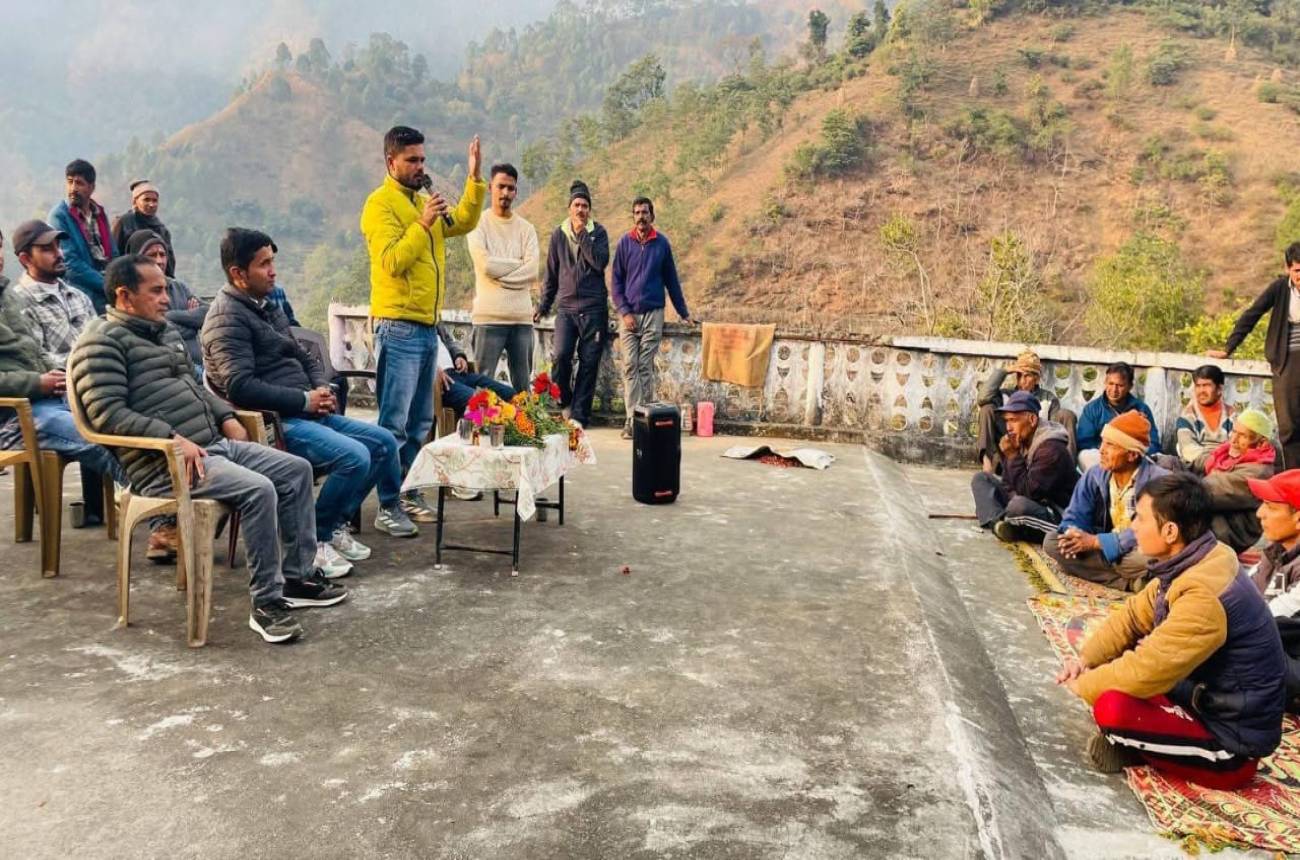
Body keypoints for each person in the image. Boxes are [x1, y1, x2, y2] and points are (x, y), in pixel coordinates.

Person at [70, 255, 347, 644]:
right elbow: (106, 413)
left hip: (211, 446)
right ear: (124, 296)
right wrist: (171, 438)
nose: (166, 299)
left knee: (295, 470)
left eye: (165, 289)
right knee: (259, 489)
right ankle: (267, 603)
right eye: (156, 291)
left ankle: (297, 578)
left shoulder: (163, 332)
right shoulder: (100, 343)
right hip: (163, 464)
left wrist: (225, 416)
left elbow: (197, 388)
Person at [202, 228, 417, 572]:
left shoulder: (267, 305)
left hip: (306, 411)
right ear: (238, 273)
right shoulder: (226, 319)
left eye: (273, 262)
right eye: (264, 264)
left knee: (384, 443)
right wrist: (304, 400)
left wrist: (322, 389)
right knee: (355, 457)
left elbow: (302, 354)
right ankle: (314, 540)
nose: (273, 272)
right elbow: (240, 387)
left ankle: (332, 526)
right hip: (276, 422)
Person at [1056, 472, 1287, 790]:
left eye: (1140, 518)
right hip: (1200, 697)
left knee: (1112, 707)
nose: (1133, 526)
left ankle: (1138, 746)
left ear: (1170, 531)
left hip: (1231, 747)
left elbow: (1144, 670)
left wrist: (1080, 687)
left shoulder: (1202, 594)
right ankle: (1142, 744)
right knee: (1117, 661)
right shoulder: (1197, 558)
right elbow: (1133, 617)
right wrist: (1086, 659)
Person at [360, 126, 486, 523]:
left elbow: (462, 222)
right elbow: (392, 261)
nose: (420, 167)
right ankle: (387, 505)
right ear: (391, 162)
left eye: (422, 159)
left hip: (426, 329)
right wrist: (423, 224)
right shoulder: (379, 205)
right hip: (397, 327)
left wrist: (474, 179)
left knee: (420, 424)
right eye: (411, 160)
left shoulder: (421, 202)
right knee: (393, 426)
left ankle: (407, 493)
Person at [0, 221, 124, 508]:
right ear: (25, 258)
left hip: (46, 399)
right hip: (13, 415)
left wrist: (55, 375)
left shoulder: (6, 296)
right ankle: (158, 507)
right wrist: (37, 382)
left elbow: (32, 351)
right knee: (97, 439)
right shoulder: (22, 296)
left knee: (119, 425)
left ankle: (162, 501)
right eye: (47, 248)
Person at [1044, 411, 1169, 591]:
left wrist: (1097, 542)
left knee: (1146, 559)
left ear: (1132, 455)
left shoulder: (1159, 481)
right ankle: (1130, 582)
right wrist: (1073, 532)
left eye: (1110, 445)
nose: (1101, 450)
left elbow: (1149, 530)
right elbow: (1075, 514)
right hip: (1108, 548)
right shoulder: (1094, 475)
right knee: (1053, 542)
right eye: (1102, 442)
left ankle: (1111, 572)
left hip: (1138, 547)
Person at [1208, 242, 1300, 469]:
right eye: (1298, 270)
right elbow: (1252, 314)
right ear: (1288, 269)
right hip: (1287, 362)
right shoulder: (1280, 289)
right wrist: (1229, 348)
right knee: (1289, 428)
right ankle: (1294, 480)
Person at [611, 196, 695, 439]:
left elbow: (672, 281)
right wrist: (625, 312)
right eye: (637, 212)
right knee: (630, 365)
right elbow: (616, 283)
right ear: (633, 216)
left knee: (644, 366)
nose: (641, 217)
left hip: (653, 314)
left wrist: (683, 313)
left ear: (652, 216)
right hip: (629, 315)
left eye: (645, 212)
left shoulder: (662, 244)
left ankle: (643, 419)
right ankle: (631, 419)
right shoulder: (624, 243)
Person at [537, 180, 610, 428]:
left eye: (585, 206)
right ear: (569, 208)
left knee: (589, 364)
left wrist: (582, 235)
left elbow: (599, 262)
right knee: (560, 357)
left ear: (589, 210)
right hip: (566, 309)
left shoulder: (598, 233)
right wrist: (543, 306)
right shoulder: (558, 235)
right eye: (577, 205)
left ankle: (579, 416)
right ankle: (565, 401)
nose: (581, 210)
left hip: (594, 309)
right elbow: (551, 273)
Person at [467, 163, 538, 393]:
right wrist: (518, 264)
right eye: (501, 187)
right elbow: (486, 266)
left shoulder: (526, 229)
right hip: (488, 317)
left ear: (516, 191)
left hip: (521, 319)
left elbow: (532, 271)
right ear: (490, 187)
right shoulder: (477, 224)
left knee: (523, 390)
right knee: (482, 388)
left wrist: (501, 274)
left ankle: (524, 420)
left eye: (511, 188)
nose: (505, 193)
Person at [971, 391, 1078, 543]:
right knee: (981, 479)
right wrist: (1010, 457)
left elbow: (1029, 493)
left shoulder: (1051, 448)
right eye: (1006, 421)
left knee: (1018, 505)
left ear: (1032, 420)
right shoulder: (1022, 439)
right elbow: (1008, 483)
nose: (1008, 427)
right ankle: (1000, 524)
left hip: (1056, 512)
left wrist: (1012, 456)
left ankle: (1004, 522)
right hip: (1030, 499)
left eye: (1013, 420)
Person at [1246, 470, 1300, 710]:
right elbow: (1240, 593)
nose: (1260, 513)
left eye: (1271, 506)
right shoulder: (1275, 552)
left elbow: (1262, 621)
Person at [1191, 410, 1277, 552]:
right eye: (1234, 432)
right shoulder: (1226, 453)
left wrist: (1173, 483)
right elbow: (1198, 462)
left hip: (1229, 529)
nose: (1233, 440)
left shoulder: (1259, 471)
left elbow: (1210, 490)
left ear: (1261, 443)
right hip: (1214, 514)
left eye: (1243, 436)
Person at [975, 350, 1076, 472]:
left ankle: (1067, 470)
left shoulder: (1048, 399)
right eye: (1019, 375)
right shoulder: (1005, 396)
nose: (1022, 380)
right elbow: (982, 398)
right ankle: (987, 464)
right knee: (987, 408)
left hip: (1038, 453)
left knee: (1066, 415)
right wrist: (1005, 371)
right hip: (1008, 452)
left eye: (1027, 376)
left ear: (1036, 379)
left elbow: (1055, 430)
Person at [126, 231, 206, 368]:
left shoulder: (178, 287)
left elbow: (207, 313)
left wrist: (169, 316)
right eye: (152, 255)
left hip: (199, 365)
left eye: (162, 255)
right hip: (170, 368)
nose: (159, 261)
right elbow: (157, 330)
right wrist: (192, 324)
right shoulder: (135, 295)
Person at [46, 159, 116, 314]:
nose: (73, 188)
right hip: (80, 290)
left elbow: (113, 253)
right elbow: (70, 264)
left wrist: (118, 281)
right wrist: (108, 286)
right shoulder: (59, 216)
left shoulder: (99, 213)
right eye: (70, 182)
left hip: (107, 284)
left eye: (79, 183)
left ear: (91, 187)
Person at [1074, 362, 1160, 470]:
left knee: (1161, 459)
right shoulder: (1092, 409)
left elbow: (1154, 443)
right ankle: (1105, 479)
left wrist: (1128, 453)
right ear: (1105, 382)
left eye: (1120, 385)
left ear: (1130, 386)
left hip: (1132, 458)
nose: (1114, 390)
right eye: (1111, 383)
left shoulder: (1142, 409)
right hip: (1104, 457)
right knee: (1085, 456)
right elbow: (1085, 443)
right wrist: (1111, 450)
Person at [435, 324, 514, 414]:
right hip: (440, 381)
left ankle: (514, 420)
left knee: (510, 395)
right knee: (482, 405)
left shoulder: (435, 321)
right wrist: (433, 369)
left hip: (458, 372)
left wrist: (459, 356)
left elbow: (449, 341)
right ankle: (477, 420)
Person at [1172, 365, 1236, 471]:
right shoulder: (1187, 416)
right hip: (1197, 469)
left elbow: (1238, 445)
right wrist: (1215, 462)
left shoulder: (1232, 415)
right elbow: (1188, 450)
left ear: (1219, 388)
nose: (1201, 390)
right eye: (1198, 386)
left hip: (1229, 466)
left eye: (1206, 385)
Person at [111, 180, 175, 277]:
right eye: (146, 200)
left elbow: (169, 263)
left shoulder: (161, 229)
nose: (151, 204)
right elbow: (113, 254)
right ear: (135, 201)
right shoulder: (123, 222)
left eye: (155, 200)